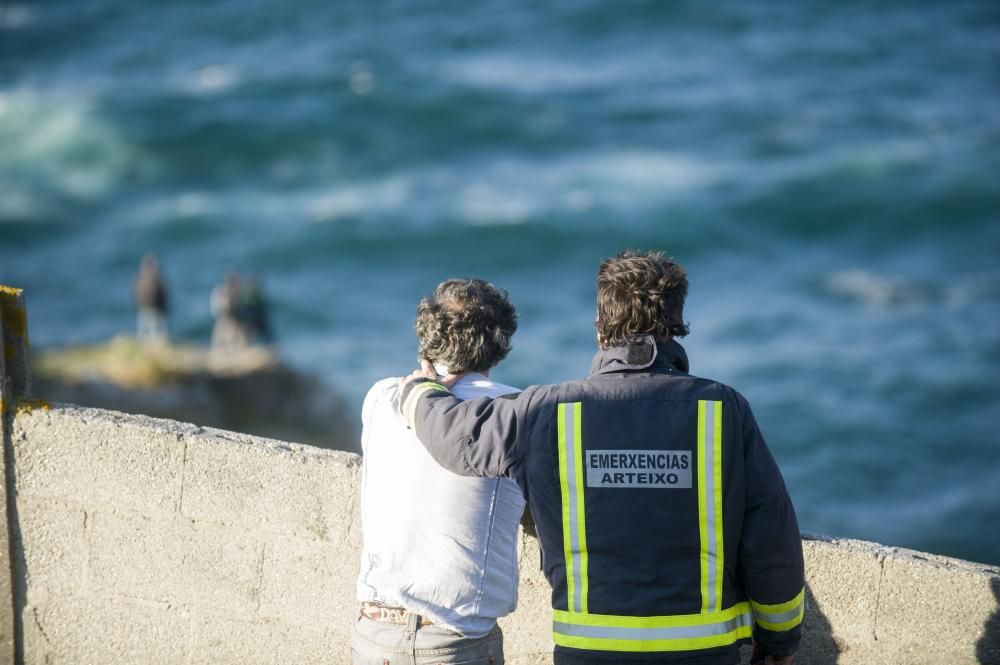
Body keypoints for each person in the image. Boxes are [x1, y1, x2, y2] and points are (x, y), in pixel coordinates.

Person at [398, 251, 804, 665]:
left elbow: (456, 438)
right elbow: (771, 537)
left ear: (600, 330)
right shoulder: (724, 410)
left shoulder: (548, 410)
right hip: (702, 653)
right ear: (676, 328)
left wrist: (419, 391)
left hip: (589, 653)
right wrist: (779, 640)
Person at [353, 279, 525, 665]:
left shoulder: (381, 396)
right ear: (499, 341)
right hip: (454, 640)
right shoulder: (514, 410)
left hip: (374, 630)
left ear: (428, 334)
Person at [210, 271, 249, 351]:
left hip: (233, 318)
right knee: (224, 336)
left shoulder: (238, 292)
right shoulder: (222, 291)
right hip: (225, 317)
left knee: (235, 337)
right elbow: (219, 307)